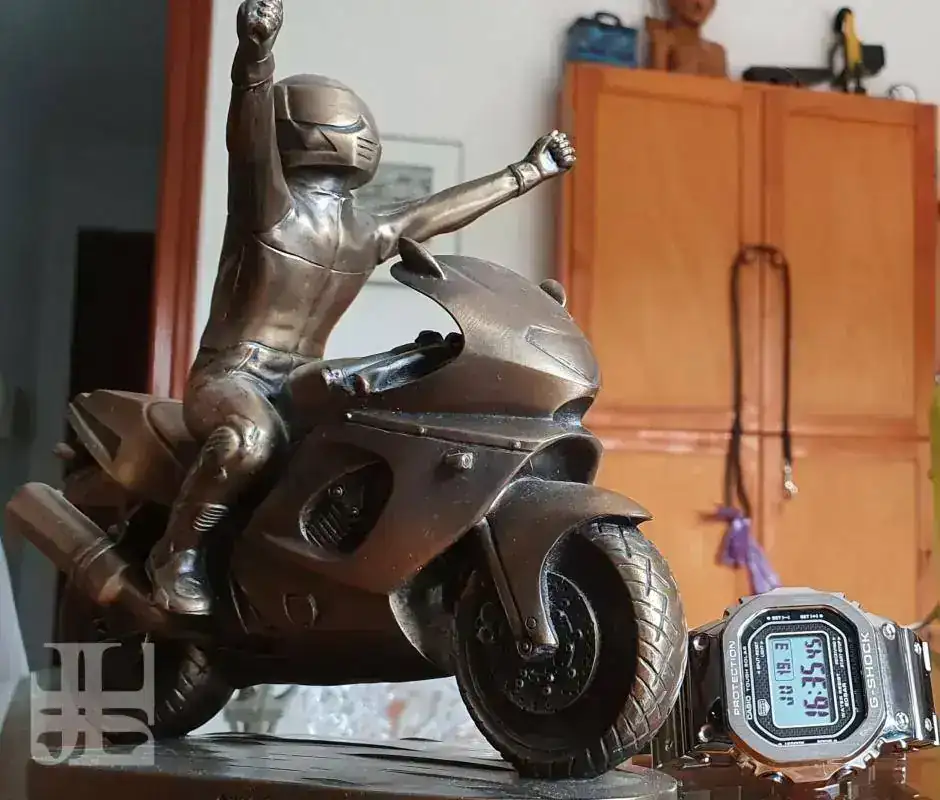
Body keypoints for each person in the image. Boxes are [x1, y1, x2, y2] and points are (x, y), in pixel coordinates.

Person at [145, 0, 577, 615]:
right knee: (249, 441)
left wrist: (526, 173)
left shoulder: (362, 231)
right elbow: (248, 144)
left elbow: (437, 213)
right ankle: (178, 553)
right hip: (233, 377)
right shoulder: (268, 210)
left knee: (381, 434)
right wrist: (256, 56)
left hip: (301, 379)